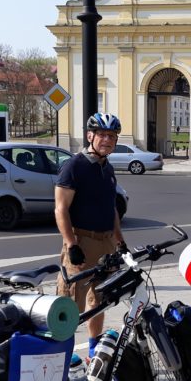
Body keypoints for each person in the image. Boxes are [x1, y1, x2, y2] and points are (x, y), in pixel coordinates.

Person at [55, 112, 127, 359]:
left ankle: (94, 350)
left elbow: (112, 209)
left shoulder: (107, 169)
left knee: (99, 300)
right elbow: (61, 208)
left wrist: (120, 241)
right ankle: (60, 355)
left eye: (112, 136)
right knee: (70, 304)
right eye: (102, 135)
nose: (107, 140)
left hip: (106, 243)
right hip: (82, 242)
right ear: (90, 136)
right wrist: (71, 244)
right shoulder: (75, 166)